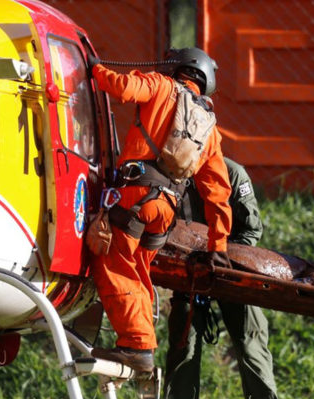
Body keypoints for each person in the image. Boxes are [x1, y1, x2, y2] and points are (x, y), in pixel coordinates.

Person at [87, 48, 233, 372]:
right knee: (136, 273)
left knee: (113, 264)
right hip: (164, 211)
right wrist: (218, 247)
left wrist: (95, 69)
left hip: (135, 197)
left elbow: (123, 88)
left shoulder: (160, 86)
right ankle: (140, 344)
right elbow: (219, 192)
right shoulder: (210, 128)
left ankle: (137, 346)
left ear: (177, 67)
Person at [163, 157, 283, 399]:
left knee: (252, 347)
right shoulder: (168, 171)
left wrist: (224, 265)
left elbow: (251, 231)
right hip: (189, 271)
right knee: (183, 347)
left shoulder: (232, 174)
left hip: (234, 271)